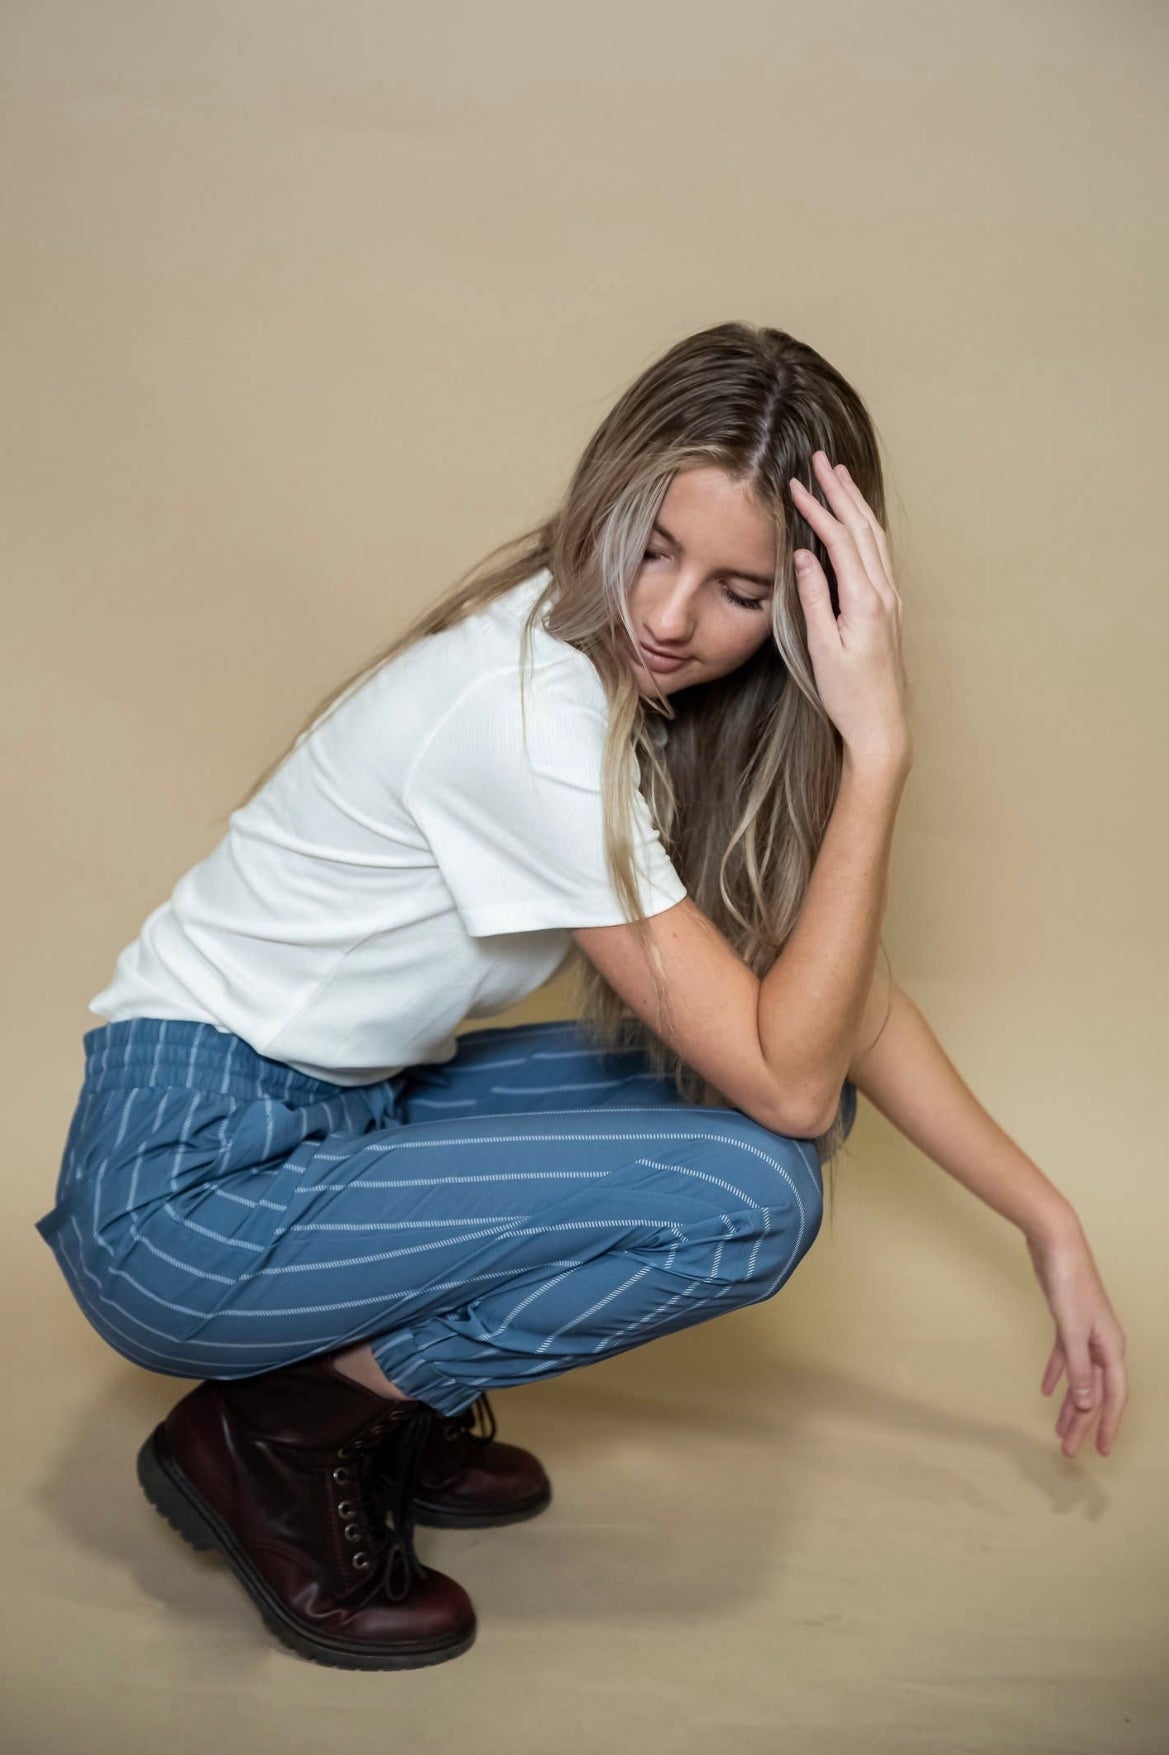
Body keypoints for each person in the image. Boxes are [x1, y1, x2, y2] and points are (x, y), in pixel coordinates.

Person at [34, 320, 1127, 1673]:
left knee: (790, 1089)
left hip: (328, 1122)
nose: (669, 617)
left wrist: (1047, 1220)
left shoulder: (628, 700)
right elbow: (781, 1079)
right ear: (605, 497)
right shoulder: (526, 713)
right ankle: (290, 1426)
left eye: (737, 590)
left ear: (803, 604)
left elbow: (840, 1019)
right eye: (653, 548)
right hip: (184, 1191)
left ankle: (343, 1400)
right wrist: (880, 748)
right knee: (751, 1190)